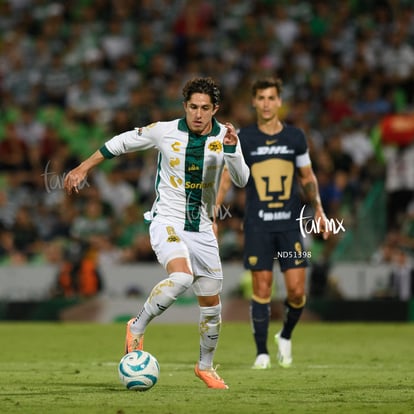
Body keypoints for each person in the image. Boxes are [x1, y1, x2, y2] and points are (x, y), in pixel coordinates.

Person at [64, 77, 249, 389]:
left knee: (213, 309)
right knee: (181, 278)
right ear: (185, 107)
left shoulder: (227, 137)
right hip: (167, 220)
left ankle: (205, 367)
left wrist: (231, 150)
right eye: (193, 107)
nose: (198, 114)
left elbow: (242, 180)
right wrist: (83, 167)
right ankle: (136, 326)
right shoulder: (165, 131)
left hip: (202, 227)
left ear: (215, 109)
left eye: (205, 108)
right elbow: (120, 142)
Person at [218, 77, 329, 369]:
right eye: (261, 98)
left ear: (280, 102)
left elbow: (307, 177)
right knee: (262, 288)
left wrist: (319, 210)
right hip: (257, 224)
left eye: (271, 98)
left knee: (296, 291)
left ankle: (286, 335)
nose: (266, 103)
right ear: (254, 102)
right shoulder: (244, 137)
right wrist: (214, 212)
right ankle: (261, 353)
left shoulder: (295, 137)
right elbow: (228, 177)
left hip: (290, 224)